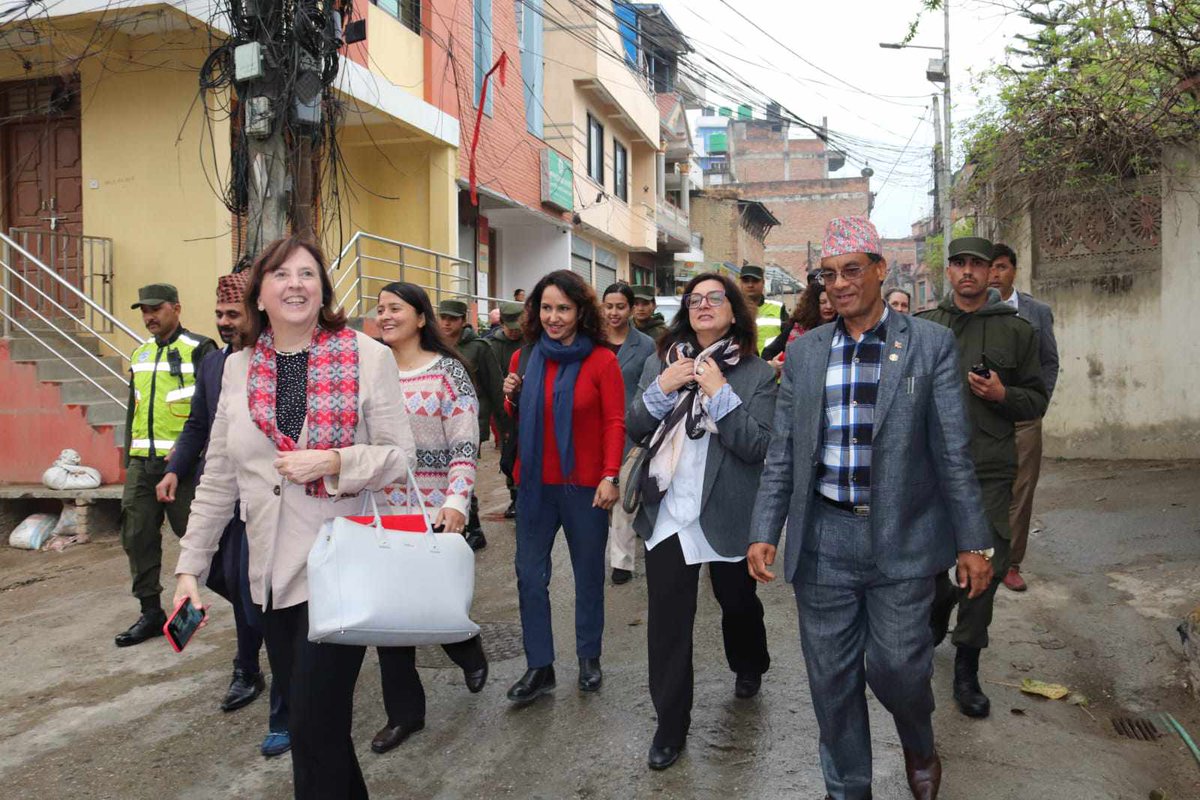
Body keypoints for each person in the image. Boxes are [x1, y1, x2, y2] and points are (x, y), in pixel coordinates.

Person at [748, 216, 994, 800]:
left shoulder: (929, 344)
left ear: (880, 270)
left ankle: (917, 738)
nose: (839, 283)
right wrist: (766, 528)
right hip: (824, 539)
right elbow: (784, 450)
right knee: (830, 680)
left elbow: (954, 451)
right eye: (828, 274)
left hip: (903, 538)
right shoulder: (806, 354)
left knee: (899, 668)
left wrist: (973, 541)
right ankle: (847, 787)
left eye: (852, 269)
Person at [173, 235, 414, 800]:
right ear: (260, 295)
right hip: (269, 579)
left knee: (309, 722)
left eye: (307, 274)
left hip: (339, 568)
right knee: (316, 730)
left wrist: (334, 461)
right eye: (281, 275)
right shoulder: (236, 369)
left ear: (323, 289)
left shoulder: (366, 355)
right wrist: (190, 568)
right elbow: (218, 478)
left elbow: (397, 457)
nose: (296, 284)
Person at [626, 272, 776, 771]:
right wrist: (661, 391)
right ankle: (670, 726)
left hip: (726, 509)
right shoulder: (660, 362)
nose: (704, 305)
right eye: (695, 299)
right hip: (669, 510)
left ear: (735, 311)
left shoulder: (756, 374)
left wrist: (718, 391)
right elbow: (635, 427)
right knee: (669, 626)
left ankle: (749, 662)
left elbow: (758, 446)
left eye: (716, 298)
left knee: (736, 601)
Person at [156, 271, 289, 756]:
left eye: (234, 315)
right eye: (219, 315)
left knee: (264, 597)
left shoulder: (287, 363)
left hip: (272, 504)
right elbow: (199, 425)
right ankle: (253, 662)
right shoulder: (215, 365)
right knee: (229, 581)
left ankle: (265, 686)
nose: (225, 323)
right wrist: (174, 468)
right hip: (225, 501)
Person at [918, 236, 1048, 720]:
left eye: (978, 264)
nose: (968, 272)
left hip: (989, 468)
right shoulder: (924, 327)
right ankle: (938, 602)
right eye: (959, 264)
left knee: (987, 568)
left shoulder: (1018, 332)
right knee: (928, 561)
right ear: (949, 272)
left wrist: (1001, 394)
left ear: (992, 272)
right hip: (931, 469)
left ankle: (967, 665)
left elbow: (1036, 399)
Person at [371, 282, 489, 755]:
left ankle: (466, 645)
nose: (384, 316)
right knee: (387, 616)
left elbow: (465, 443)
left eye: (394, 308)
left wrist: (458, 501)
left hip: (434, 507)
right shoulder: (369, 373)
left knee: (431, 602)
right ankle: (404, 714)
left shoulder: (448, 374)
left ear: (421, 318)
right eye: (379, 309)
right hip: (379, 510)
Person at [501, 270, 624, 705]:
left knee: (588, 573)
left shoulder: (602, 361)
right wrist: (512, 395)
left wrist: (610, 475)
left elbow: (614, 421)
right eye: (547, 308)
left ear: (580, 312)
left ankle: (589, 656)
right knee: (529, 577)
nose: (554, 317)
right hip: (535, 485)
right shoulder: (525, 357)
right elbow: (516, 415)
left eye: (564, 309)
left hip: (584, 486)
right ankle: (540, 666)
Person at [114, 283, 216, 647]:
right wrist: (130, 459)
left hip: (186, 464)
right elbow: (134, 410)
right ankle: (150, 612)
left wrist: (200, 453)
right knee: (137, 535)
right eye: (143, 310)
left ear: (176, 308)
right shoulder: (140, 355)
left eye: (155, 309)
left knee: (201, 537)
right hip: (144, 464)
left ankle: (238, 607)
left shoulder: (200, 349)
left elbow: (212, 408)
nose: (149, 317)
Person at [989, 243, 1059, 592]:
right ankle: (983, 555)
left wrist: (1038, 403)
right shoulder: (975, 311)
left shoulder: (1037, 312)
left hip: (1025, 416)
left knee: (1022, 489)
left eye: (1001, 266)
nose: (995, 274)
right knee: (986, 486)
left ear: (1013, 270)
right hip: (985, 417)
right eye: (991, 267)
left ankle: (1011, 563)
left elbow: (1049, 361)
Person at [438, 298, 505, 551]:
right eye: (443, 317)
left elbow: (495, 387)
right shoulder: (432, 345)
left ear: (462, 321)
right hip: (438, 422)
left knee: (464, 475)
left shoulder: (478, 348)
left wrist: (505, 428)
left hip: (470, 422)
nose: (446, 323)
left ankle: (474, 528)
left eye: (452, 319)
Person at [600, 283, 656, 586]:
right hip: (594, 429)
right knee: (597, 497)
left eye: (620, 306)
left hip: (630, 430)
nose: (614, 312)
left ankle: (621, 562)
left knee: (623, 497)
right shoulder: (591, 341)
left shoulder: (645, 345)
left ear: (631, 308)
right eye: (609, 306)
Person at [488, 301, 525, 519]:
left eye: (517, 325)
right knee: (508, 456)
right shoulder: (492, 345)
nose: (513, 330)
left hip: (526, 408)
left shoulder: (531, 342)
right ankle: (514, 497)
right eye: (509, 325)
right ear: (501, 323)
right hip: (503, 410)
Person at [762, 273, 826, 366]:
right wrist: (773, 365)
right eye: (822, 302)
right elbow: (768, 352)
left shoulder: (842, 328)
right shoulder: (798, 327)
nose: (829, 306)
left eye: (832, 301)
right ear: (814, 304)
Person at [738, 264, 786, 355]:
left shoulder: (778, 308)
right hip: (741, 366)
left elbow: (788, 340)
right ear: (740, 283)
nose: (750, 285)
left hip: (771, 366)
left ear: (763, 283)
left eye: (755, 281)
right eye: (746, 281)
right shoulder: (732, 309)